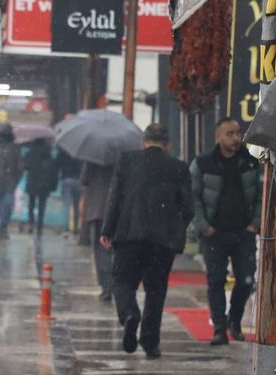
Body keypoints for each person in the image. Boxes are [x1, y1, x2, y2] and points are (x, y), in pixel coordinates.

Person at [99, 124, 194, 359]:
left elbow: (115, 198)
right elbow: (189, 208)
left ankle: (130, 314)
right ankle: (150, 342)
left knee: (122, 281)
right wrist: (174, 228)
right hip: (162, 241)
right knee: (156, 290)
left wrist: (107, 230)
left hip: (129, 234)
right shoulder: (179, 168)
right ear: (168, 144)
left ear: (143, 142)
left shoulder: (127, 161)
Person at [189, 117, 262, 345]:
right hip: (215, 233)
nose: (236, 138)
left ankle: (235, 320)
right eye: (230, 133)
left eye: (238, 133)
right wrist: (203, 226)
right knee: (216, 280)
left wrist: (255, 223)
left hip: (244, 232)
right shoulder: (203, 163)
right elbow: (193, 197)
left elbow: (261, 194)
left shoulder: (250, 162)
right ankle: (219, 327)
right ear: (218, 137)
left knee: (246, 280)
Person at [80, 160, 115, 302]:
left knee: (100, 249)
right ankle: (112, 282)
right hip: (116, 209)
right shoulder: (123, 158)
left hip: (97, 209)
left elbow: (84, 180)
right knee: (114, 248)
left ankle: (106, 285)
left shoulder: (92, 158)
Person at [23, 138, 58, 237]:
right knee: (42, 206)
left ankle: (31, 223)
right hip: (44, 185)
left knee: (31, 204)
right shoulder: (49, 155)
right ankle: (39, 226)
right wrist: (53, 186)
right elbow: (53, 172)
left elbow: (25, 166)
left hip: (32, 183)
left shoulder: (30, 153)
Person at [56, 146, 82, 236]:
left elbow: (57, 165)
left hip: (66, 179)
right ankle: (75, 228)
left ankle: (65, 228)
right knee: (76, 205)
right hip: (78, 180)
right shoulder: (80, 151)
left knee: (66, 205)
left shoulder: (63, 151)